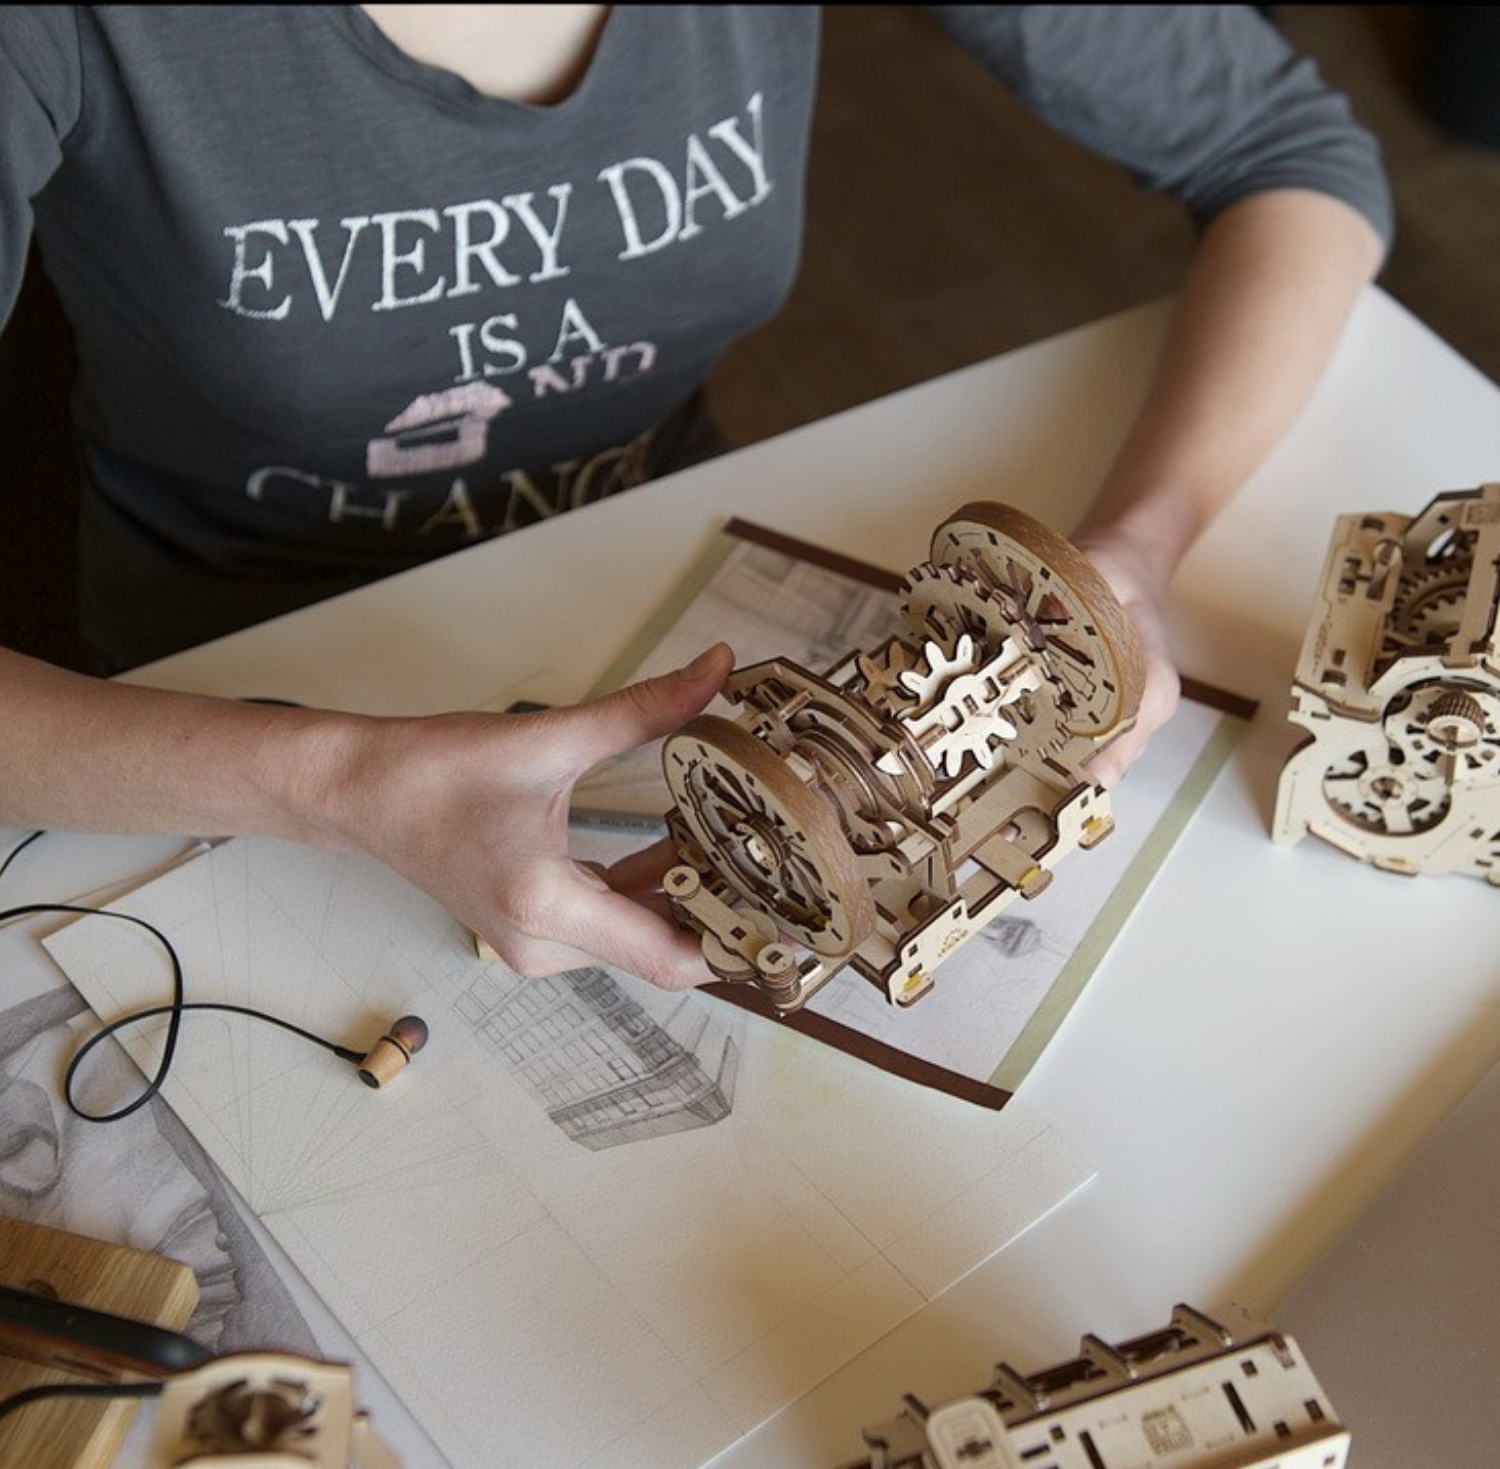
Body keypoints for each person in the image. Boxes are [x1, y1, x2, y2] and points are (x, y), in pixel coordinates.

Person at [0, 6, 1391, 991]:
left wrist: (1134, 551)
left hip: (666, 610)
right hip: (225, 703)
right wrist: (337, 782)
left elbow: (1287, 155)